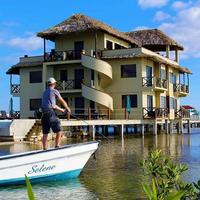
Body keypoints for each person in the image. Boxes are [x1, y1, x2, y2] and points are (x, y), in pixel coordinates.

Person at [41, 77, 71, 150]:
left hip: (43, 114)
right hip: (50, 113)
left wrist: (62, 110)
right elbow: (62, 101)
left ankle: (44, 149)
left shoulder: (44, 92)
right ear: (54, 84)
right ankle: (57, 147)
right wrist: (67, 108)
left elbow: (53, 105)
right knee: (59, 131)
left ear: (48, 84)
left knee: (45, 133)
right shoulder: (54, 91)